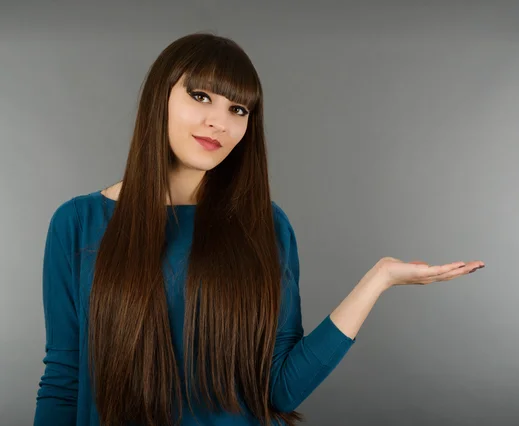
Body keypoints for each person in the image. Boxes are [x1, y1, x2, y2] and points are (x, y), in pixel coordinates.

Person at [33, 32, 485, 426]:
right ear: (160, 97)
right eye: (201, 96)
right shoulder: (77, 224)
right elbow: (63, 380)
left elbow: (281, 390)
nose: (220, 122)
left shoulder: (264, 226)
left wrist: (379, 279)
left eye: (239, 109)